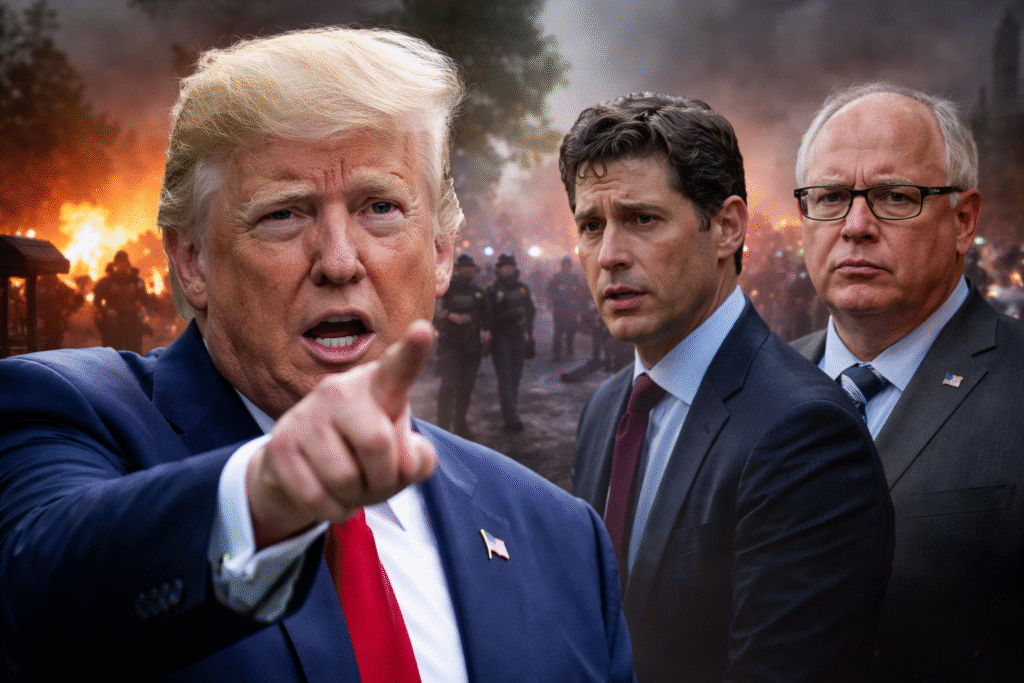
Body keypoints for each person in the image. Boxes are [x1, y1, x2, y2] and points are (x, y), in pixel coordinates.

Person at [0, 28, 634, 682]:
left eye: (380, 207)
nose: (338, 260)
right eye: (284, 214)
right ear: (191, 261)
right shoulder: (64, 412)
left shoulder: (563, 539)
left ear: (442, 249)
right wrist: (265, 497)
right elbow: (34, 593)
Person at [560, 92, 894, 683]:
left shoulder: (806, 432)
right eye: (592, 225)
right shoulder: (608, 406)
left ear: (727, 227)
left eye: (642, 218)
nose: (609, 255)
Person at [792, 82, 1024, 682]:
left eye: (895, 196)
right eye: (831, 196)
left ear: (963, 220)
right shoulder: (753, 383)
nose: (856, 225)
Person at [434, 253, 488, 438]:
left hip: (471, 345)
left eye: (470, 267)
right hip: (451, 343)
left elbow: (486, 316)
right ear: (457, 269)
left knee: (466, 387)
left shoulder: (478, 292)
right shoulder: (446, 289)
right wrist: (449, 316)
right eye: (464, 267)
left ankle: (460, 425)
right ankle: (443, 427)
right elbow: (434, 312)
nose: (468, 270)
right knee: (448, 386)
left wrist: (471, 319)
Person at [483, 252, 535, 431]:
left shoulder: (522, 288)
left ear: (514, 268)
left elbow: (530, 311)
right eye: (504, 266)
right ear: (498, 269)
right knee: (505, 378)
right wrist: (488, 335)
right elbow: (487, 315)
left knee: (515, 377)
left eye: (510, 266)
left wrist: (530, 334)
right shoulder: (491, 290)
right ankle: (511, 418)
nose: (507, 269)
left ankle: (511, 411)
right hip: (501, 337)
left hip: (518, 336)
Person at [92, 249, 150, 352]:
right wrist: (106, 311)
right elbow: (97, 301)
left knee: (134, 353)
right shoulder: (106, 281)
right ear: (115, 264)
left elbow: (145, 300)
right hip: (113, 323)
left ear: (128, 263)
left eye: (124, 262)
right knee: (113, 354)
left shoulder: (136, 281)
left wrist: (144, 312)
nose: (122, 264)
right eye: (120, 262)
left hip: (132, 321)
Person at [546, 255, 585, 361]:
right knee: (558, 331)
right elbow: (549, 291)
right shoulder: (556, 277)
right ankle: (556, 353)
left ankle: (569, 350)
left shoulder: (574, 278)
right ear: (562, 265)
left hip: (571, 309)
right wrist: (553, 300)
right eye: (564, 264)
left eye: (568, 265)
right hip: (559, 308)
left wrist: (578, 303)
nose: (566, 266)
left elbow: (580, 291)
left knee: (571, 330)